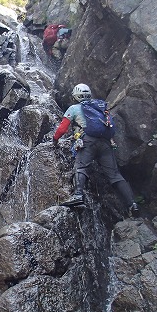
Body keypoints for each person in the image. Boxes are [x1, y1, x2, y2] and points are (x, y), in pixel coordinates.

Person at [53, 83, 139, 216]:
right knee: (115, 175)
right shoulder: (99, 107)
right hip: (105, 143)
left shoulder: (74, 108)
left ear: (75, 96)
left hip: (87, 141)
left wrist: (55, 140)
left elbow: (62, 128)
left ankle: (78, 196)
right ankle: (132, 204)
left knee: (81, 166)